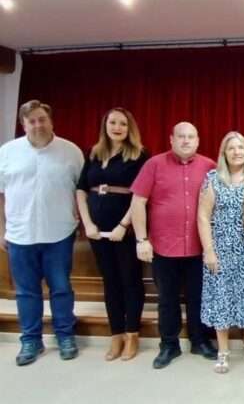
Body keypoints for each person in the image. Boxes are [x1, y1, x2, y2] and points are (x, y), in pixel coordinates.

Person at [0, 99, 84, 366]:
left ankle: (65, 336)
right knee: (26, 292)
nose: (37, 125)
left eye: (42, 119)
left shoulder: (70, 151)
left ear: (51, 121)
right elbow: (0, 195)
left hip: (59, 233)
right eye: (32, 121)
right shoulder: (7, 152)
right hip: (19, 235)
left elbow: (81, 191)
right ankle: (31, 340)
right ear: (23, 124)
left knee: (61, 288)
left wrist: (81, 222)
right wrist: (1, 229)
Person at [130, 122, 218, 369]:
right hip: (164, 247)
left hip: (199, 247)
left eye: (191, 136)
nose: (186, 141)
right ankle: (169, 345)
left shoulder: (210, 166)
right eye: (181, 136)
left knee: (198, 298)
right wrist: (141, 239)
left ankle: (200, 341)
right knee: (167, 300)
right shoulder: (154, 164)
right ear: (171, 139)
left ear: (198, 140)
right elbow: (138, 202)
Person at [76, 107, 148, 361]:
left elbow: (140, 194)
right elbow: (81, 190)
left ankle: (132, 334)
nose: (117, 128)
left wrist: (123, 226)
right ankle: (116, 334)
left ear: (130, 128)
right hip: (97, 231)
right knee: (110, 281)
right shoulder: (94, 153)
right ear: (105, 125)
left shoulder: (139, 155)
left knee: (130, 280)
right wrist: (87, 223)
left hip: (125, 230)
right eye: (113, 123)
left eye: (123, 124)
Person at [198, 132, 244, 374]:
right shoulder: (214, 178)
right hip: (220, 249)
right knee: (221, 299)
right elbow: (203, 216)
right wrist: (209, 251)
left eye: (241, 147)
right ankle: (223, 351)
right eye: (231, 148)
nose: (237, 152)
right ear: (224, 153)